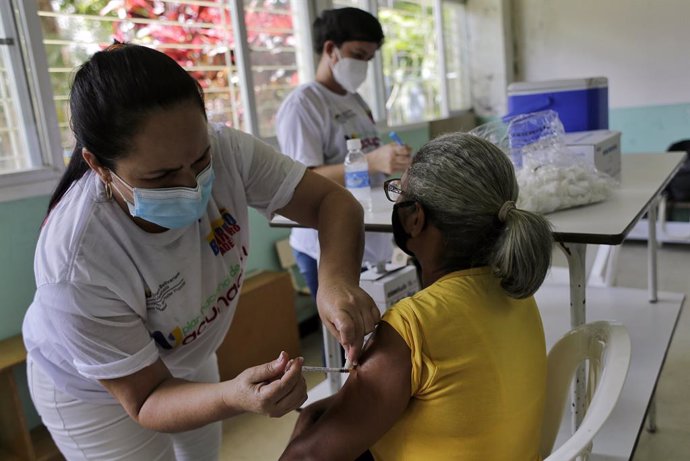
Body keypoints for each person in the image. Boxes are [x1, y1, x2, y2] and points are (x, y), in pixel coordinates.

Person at [22, 43, 380, 461]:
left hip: (186, 355)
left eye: (200, 159)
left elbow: (332, 202)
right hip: (96, 396)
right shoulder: (76, 265)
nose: (192, 184)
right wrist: (233, 396)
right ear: (98, 165)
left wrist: (334, 284)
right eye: (161, 176)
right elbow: (146, 398)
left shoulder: (229, 149)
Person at [280, 133, 554, 461]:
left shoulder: (412, 327)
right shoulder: (515, 286)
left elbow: (306, 458)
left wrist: (305, 427)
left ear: (415, 218)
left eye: (398, 193)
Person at [275, 7, 412, 299]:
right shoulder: (305, 104)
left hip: (370, 239)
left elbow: (369, 156)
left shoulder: (356, 100)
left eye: (369, 59)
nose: (364, 65)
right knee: (346, 338)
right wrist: (372, 162)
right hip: (326, 246)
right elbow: (302, 180)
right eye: (359, 55)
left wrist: (390, 159)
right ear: (330, 49)